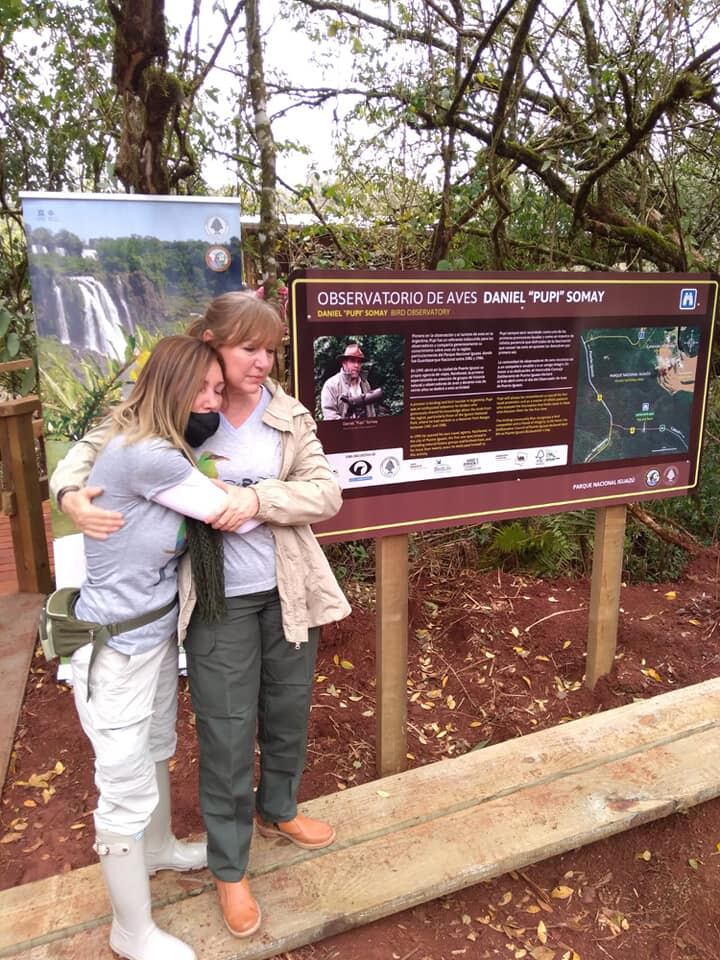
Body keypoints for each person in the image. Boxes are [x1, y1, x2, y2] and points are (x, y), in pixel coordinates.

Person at [50, 292, 351, 941]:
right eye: (249, 348)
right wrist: (72, 496)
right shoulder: (157, 409)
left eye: (271, 350)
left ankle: (279, 808)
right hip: (213, 597)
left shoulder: (286, 413)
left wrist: (258, 498)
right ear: (211, 342)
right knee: (225, 726)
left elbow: (326, 492)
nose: (262, 362)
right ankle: (230, 866)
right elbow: (90, 456)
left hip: (288, 586)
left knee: (289, 706)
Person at [61, 335, 253, 960]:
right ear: (164, 383)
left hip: (150, 637)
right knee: (122, 781)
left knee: (155, 749)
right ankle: (130, 931)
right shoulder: (150, 454)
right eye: (197, 387)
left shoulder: (165, 446)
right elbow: (230, 513)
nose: (208, 400)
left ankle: (160, 849)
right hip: (116, 651)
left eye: (216, 391)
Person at [320, 342, 380, 419]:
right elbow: (330, 415)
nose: (356, 365)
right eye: (352, 361)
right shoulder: (331, 385)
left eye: (359, 362)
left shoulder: (365, 383)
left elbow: (371, 411)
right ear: (344, 363)